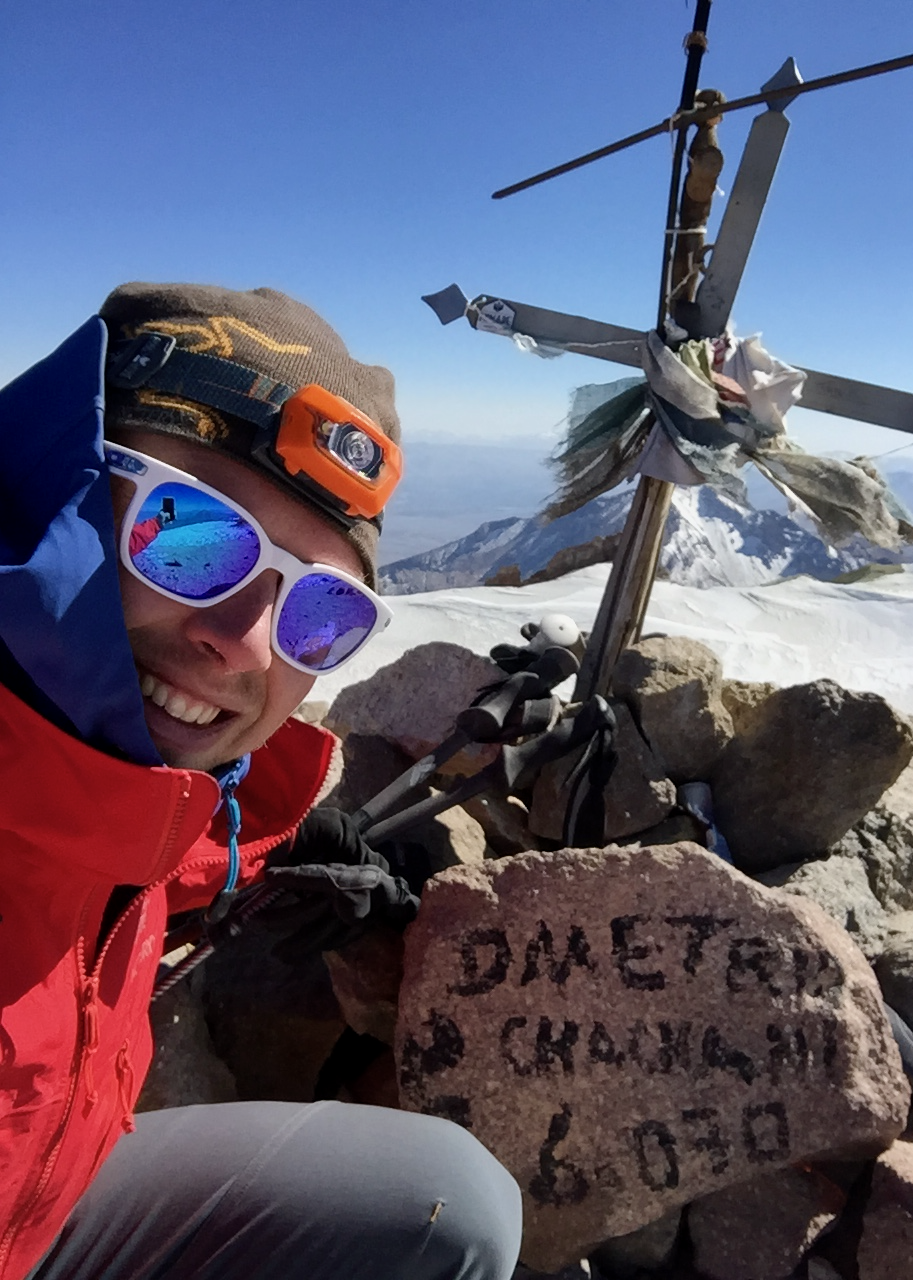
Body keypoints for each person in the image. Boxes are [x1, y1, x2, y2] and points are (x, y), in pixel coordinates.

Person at [0, 283, 523, 1280]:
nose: (243, 642)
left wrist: (280, 842)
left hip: (39, 1207)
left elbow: (84, 823)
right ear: (49, 487)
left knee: (447, 1201)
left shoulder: (124, 797)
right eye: (192, 537)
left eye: (321, 612)